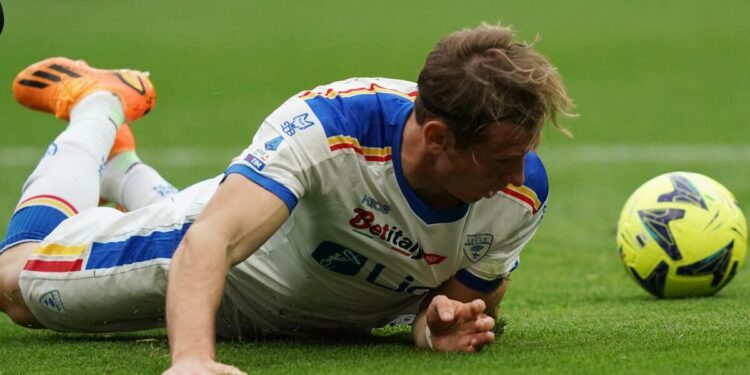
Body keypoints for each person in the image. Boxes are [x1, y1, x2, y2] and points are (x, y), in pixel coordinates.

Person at [0, 23, 573, 374]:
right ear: (439, 138)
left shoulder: (522, 192)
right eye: (501, 159)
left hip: (313, 308)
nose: (519, 173)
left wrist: (435, 327)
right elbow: (212, 239)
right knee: (14, 286)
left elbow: (452, 307)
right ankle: (98, 106)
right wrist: (193, 360)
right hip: (223, 269)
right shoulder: (328, 125)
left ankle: (123, 165)